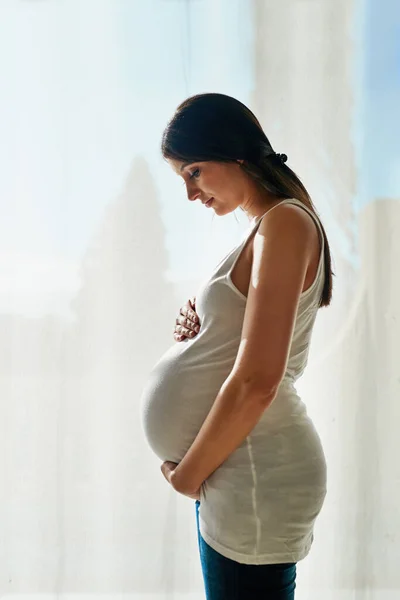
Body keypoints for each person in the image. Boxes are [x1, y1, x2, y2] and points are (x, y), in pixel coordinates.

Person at [140, 93, 334, 599]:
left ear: (235, 155)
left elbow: (257, 381)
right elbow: (243, 344)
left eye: (195, 172)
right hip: (238, 471)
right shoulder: (266, 229)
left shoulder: (284, 223)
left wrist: (187, 477)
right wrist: (202, 330)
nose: (190, 193)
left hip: (255, 475)